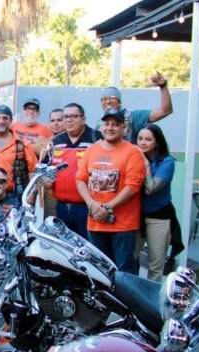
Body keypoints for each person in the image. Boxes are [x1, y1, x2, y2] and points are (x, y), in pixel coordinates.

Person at [76, 108, 146, 275]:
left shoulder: (132, 152)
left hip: (123, 225)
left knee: (124, 271)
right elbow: (80, 179)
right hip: (95, 223)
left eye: (115, 124)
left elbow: (133, 186)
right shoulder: (91, 150)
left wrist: (107, 208)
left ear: (124, 128)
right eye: (106, 124)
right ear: (101, 127)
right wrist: (91, 204)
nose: (110, 128)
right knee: (99, 271)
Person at [50, 103, 103, 238]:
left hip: (88, 207)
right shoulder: (56, 140)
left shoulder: (97, 138)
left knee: (89, 245)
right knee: (65, 245)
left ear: (84, 119)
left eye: (73, 116)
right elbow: (47, 166)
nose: (68, 120)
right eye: (66, 117)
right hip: (62, 206)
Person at [137, 124, 179, 281]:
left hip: (159, 217)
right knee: (130, 258)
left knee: (155, 265)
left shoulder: (167, 162)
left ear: (157, 142)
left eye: (148, 139)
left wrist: (146, 165)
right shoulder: (133, 158)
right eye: (140, 138)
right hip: (135, 216)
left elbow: (150, 188)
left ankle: (151, 295)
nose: (143, 142)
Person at [97, 72, 173, 143]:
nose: (108, 102)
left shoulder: (133, 117)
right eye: (104, 99)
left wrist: (163, 87)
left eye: (112, 98)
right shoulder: (100, 123)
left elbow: (165, 111)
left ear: (119, 102)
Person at [0, 104, 38, 202]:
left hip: (16, 195)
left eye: (5, 118)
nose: (1, 121)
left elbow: (33, 171)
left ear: (11, 121)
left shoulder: (22, 143)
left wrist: (32, 193)